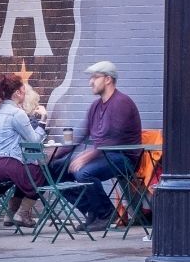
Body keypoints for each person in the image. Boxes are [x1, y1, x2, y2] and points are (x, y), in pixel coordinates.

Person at [55, 62, 141, 228]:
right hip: (103, 155)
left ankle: (106, 213)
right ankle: (92, 210)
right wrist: (53, 155)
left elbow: (112, 139)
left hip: (123, 157)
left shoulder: (122, 103)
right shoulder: (95, 106)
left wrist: (88, 155)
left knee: (83, 172)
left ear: (108, 79)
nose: (90, 82)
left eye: (95, 77)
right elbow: (80, 135)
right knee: (55, 169)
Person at [0, 72, 46, 228]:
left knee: (27, 173)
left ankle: (10, 214)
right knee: (42, 174)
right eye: (23, 90)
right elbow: (34, 142)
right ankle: (22, 213)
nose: (24, 93)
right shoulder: (17, 113)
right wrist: (43, 121)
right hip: (6, 166)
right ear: (17, 93)